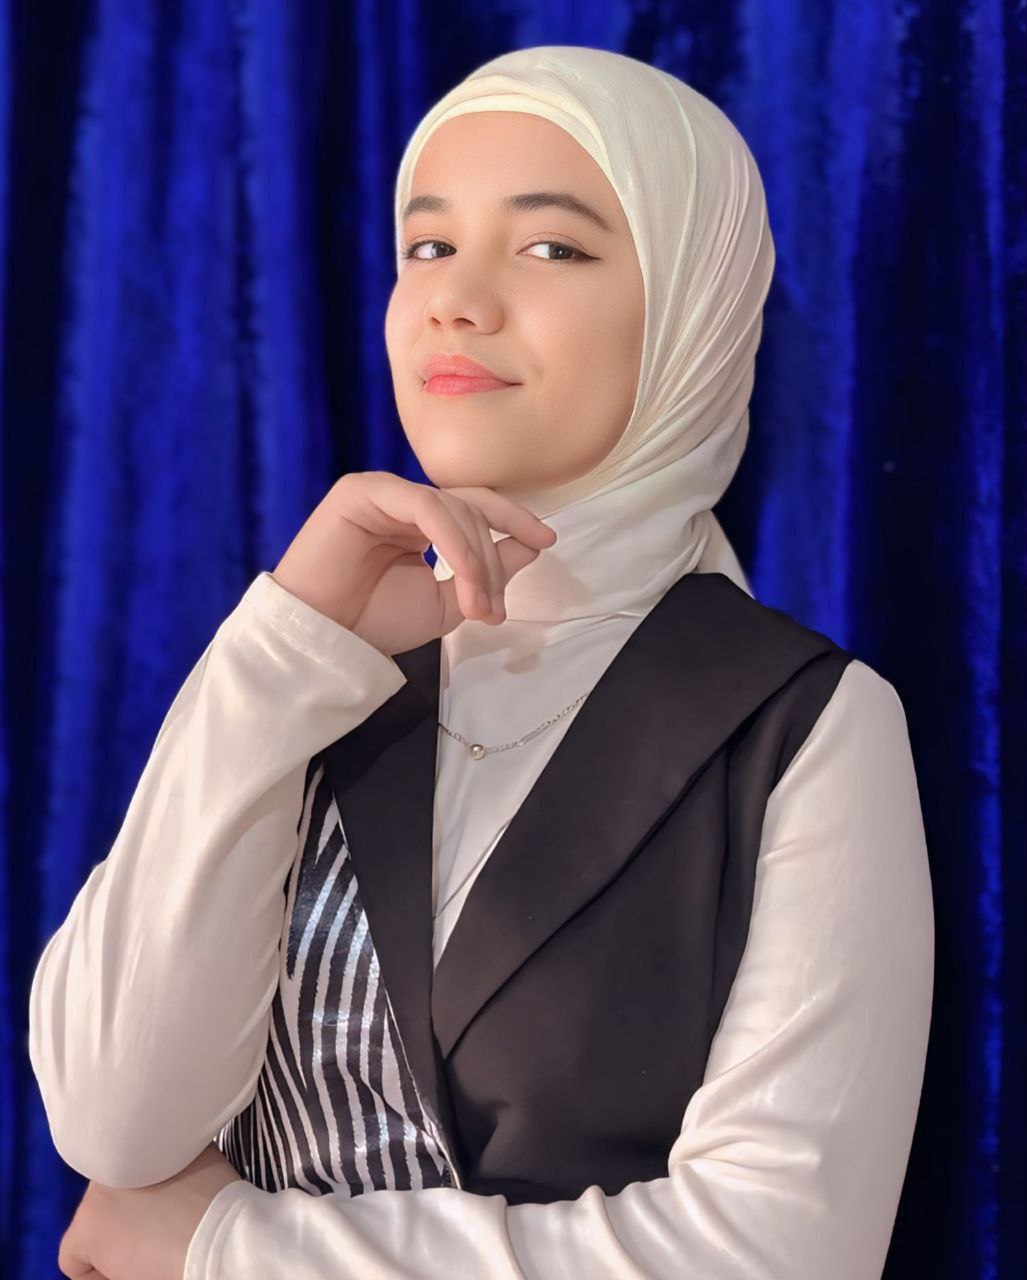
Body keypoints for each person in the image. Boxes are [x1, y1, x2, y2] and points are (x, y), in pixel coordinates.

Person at [30, 44, 935, 1279]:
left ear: (691, 311)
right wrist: (278, 650)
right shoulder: (317, 656)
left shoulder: (799, 726)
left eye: (550, 247)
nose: (455, 299)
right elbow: (111, 1117)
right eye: (428, 244)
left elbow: (773, 1252)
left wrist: (230, 1244)